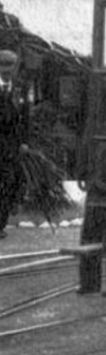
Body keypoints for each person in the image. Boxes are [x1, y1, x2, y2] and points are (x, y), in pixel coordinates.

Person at [0, 49, 25, 239]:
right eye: (3, 65)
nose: (7, 70)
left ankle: (1, 223)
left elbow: (25, 117)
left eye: (11, 66)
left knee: (11, 184)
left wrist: (24, 141)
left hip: (12, 148)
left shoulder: (18, 89)